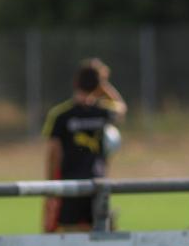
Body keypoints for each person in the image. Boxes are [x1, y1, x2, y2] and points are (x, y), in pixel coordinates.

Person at [42, 60, 126, 232]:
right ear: (98, 86)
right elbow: (122, 109)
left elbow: (54, 153)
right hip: (97, 184)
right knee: (100, 235)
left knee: (65, 233)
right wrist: (105, 88)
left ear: (75, 82)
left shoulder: (61, 115)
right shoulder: (102, 112)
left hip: (69, 186)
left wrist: (51, 188)